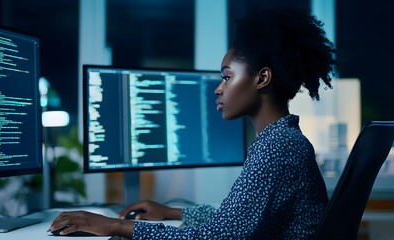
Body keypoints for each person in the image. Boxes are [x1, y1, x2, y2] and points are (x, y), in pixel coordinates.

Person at [49, 6, 336, 239]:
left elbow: (218, 236)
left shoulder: (277, 148)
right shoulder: (283, 140)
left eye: (226, 76)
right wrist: (175, 213)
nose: (218, 88)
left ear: (261, 78)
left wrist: (115, 226)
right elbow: (235, 219)